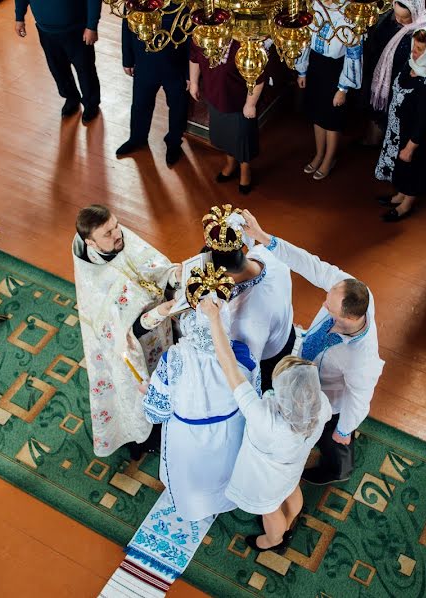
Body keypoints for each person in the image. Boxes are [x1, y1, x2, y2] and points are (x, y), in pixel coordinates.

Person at [242, 210, 384, 486]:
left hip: (330, 397)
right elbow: (310, 263)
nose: (322, 305)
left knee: (334, 439)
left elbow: (359, 398)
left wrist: (344, 428)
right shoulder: (353, 289)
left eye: (329, 308)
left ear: (350, 318)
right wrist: (264, 238)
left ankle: (338, 469)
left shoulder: (360, 359)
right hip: (307, 366)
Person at [203, 296, 331, 552]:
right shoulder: (321, 404)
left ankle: (274, 540)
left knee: (270, 509)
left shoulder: (266, 419)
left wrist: (214, 319)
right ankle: (291, 520)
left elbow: (229, 368)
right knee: (291, 489)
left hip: (266, 477)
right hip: (293, 465)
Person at [140, 277, 259, 521]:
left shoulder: (172, 360)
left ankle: (194, 510)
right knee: (225, 471)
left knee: (192, 479)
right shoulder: (243, 355)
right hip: (230, 432)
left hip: (188, 438)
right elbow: (253, 399)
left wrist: (148, 391)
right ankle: (226, 501)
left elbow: (155, 413)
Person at [71, 205, 181, 458]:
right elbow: (120, 335)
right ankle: (149, 436)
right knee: (141, 391)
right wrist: (160, 313)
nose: (118, 234)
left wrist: (176, 275)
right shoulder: (93, 280)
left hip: (162, 333)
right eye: (108, 234)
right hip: (135, 349)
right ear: (91, 242)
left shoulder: (124, 239)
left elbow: (158, 271)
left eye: (116, 225)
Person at [203, 205, 295, 393]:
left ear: (223, 275)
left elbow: (246, 372)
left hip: (269, 357)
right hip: (285, 329)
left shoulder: (246, 323)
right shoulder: (265, 252)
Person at [375, 27, 426, 222]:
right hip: (399, 130)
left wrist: (411, 146)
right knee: (401, 167)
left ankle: (406, 205)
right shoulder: (411, 65)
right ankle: (399, 195)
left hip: (415, 137)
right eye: (414, 47)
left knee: (413, 168)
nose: (414, 53)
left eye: (420, 50)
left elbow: (424, 120)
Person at [295, 0, 364, 181]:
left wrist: (343, 88)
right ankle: (319, 154)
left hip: (336, 70)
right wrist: (302, 70)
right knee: (317, 114)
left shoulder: (350, 12)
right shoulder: (315, 5)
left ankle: (329, 158)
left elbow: (354, 53)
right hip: (316, 65)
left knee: (332, 119)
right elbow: (304, 39)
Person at [115, 5, 189, 167]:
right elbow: (127, 28)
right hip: (144, 63)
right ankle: (137, 138)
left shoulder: (184, 4)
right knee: (140, 104)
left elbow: (191, 37)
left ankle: (174, 142)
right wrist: (127, 59)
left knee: (178, 106)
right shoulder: (136, 3)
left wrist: (190, 74)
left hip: (176, 67)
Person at [189, 40, 266, 195]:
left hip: (239, 104)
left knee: (243, 140)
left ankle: (245, 172)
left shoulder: (245, 45)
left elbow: (258, 79)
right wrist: (194, 83)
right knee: (224, 136)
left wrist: (250, 104)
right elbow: (194, 58)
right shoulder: (203, 35)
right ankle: (231, 165)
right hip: (216, 99)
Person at [14, 0, 102, 123]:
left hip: (77, 29)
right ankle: (71, 97)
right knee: (58, 69)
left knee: (85, 69)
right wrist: (19, 18)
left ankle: (91, 103)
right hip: (46, 30)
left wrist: (92, 26)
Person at [364, 0, 426, 145]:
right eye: (396, 14)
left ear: (415, 12)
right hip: (383, 76)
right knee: (376, 110)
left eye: (404, 18)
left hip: (405, 81)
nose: (398, 20)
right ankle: (373, 140)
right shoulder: (390, 15)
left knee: (394, 118)